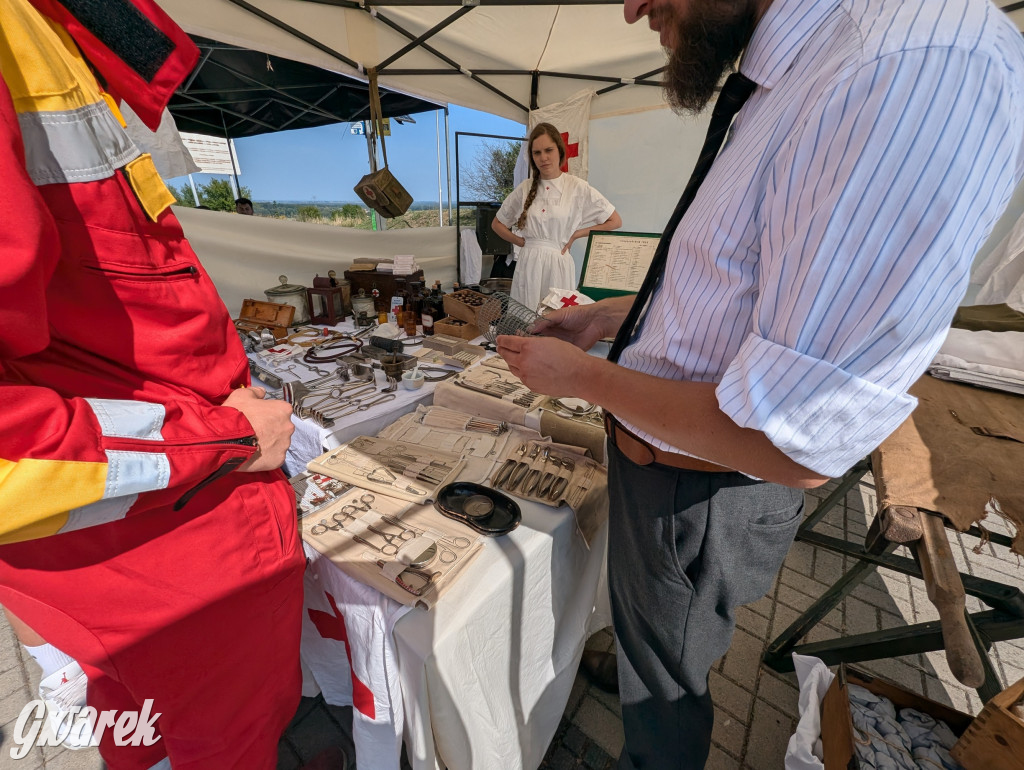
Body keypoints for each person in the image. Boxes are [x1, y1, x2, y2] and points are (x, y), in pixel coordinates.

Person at [498, 0, 1024, 767]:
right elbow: (730, 277)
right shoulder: (798, 69)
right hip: (671, 476)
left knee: (669, 693)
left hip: (697, 489)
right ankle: (649, 661)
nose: (632, 6)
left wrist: (586, 379)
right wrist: (611, 317)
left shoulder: (903, 62)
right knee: (663, 647)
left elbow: (794, 437)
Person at [0, 0, 309, 767]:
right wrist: (231, 438)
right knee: (214, 743)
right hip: (160, 556)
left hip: (173, 552)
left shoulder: (50, 30)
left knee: (157, 734)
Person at [491, 123, 622, 311]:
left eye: (548, 150)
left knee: (555, 318)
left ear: (559, 151)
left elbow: (615, 221)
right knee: (527, 319)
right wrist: (521, 242)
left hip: (558, 264)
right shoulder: (525, 188)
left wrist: (577, 233)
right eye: (537, 153)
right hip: (529, 264)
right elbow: (497, 224)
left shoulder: (577, 187)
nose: (543, 157)